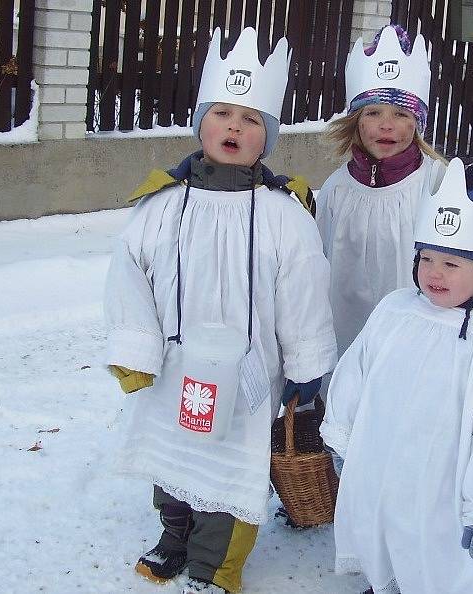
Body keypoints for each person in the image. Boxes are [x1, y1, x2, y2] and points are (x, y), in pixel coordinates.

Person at [104, 27, 337, 594]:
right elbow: (128, 270)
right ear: (201, 122)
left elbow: (303, 287)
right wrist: (136, 350)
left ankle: (215, 564)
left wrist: (307, 368)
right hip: (176, 362)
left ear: (268, 138)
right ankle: (175, 535)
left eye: (251, 119)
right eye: (223, 113)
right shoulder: (161, 204)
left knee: (230, 464)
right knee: (173, 452)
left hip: (248, 372)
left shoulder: (285, 215)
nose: (234, 127)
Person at [320, 158, 473, 594]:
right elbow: (356, 372)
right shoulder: (395, 311)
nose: (434, 273)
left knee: (440, 552)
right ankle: (392, 582)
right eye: (427, 259)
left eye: (453, 264)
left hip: (447, 482)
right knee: (391, 531)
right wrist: (343, 438)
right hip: (387, 465)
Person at [316, 24, 445, 357]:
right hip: (344, 334)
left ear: (417, 122)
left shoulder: (435, 183)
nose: (387, 125)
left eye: (401, 114)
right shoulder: (337, 190)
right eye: (373, 113)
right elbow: (316, 264)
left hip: (414, 340)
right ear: (356, 121)